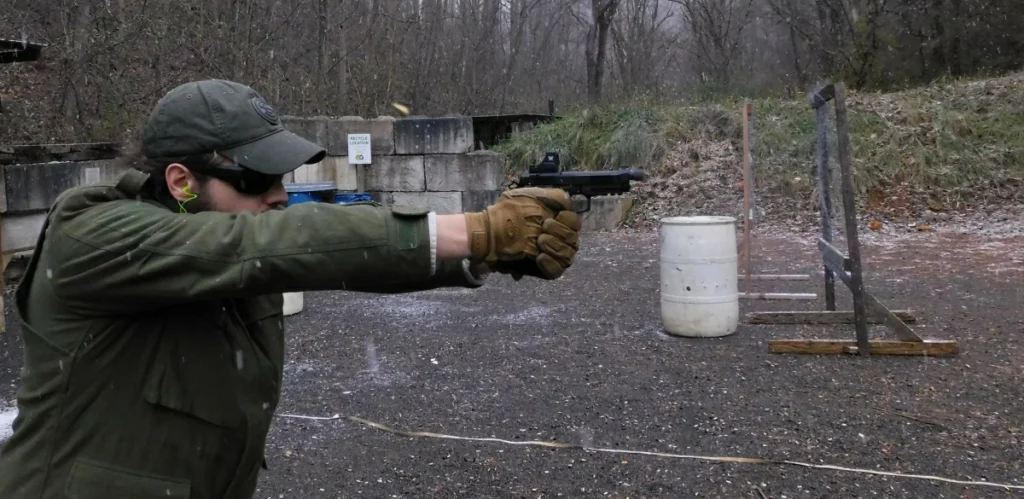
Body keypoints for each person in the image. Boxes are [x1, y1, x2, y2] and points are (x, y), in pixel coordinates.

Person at [0, 79, 582, 499]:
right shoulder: (91, 232)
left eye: (280, 178)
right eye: (256, 180)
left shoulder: (223, 246)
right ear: (180, 181)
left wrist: (474, 256)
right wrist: (477, 231)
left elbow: (320, 255)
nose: (278, 196)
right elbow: (265, 245)